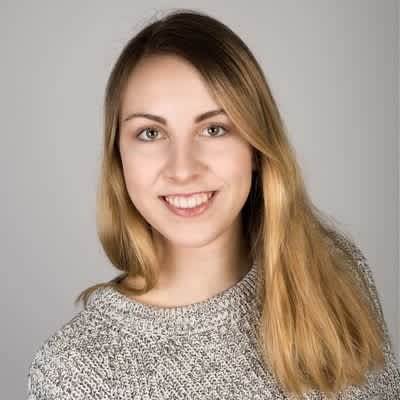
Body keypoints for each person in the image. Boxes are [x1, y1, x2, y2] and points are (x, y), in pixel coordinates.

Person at [27, 8, 400, 400]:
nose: (183, 169)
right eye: (150, 133)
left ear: (256, 147)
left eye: (214, 129)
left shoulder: (333, 272)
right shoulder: (74, 372)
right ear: (118, 157)